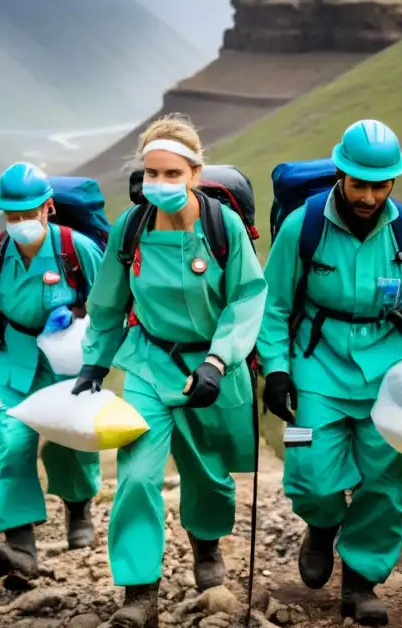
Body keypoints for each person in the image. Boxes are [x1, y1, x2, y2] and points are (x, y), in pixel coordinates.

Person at [257, 119, 402, 626]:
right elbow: (275, 306)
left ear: (393, 181)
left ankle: (360, 582)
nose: (369, 195)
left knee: (388, 476)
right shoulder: (301, 227)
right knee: (310, 474)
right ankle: (322, 526)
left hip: (387, 370)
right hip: (316, 363)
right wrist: (277, 370)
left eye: (381, 184)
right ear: (341, 175)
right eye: (359, 184)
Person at [70, 115, 268, 628]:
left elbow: (247, 299)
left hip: (210, 368)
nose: (159, 184)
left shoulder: (221, 229)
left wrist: (218, 361)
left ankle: (206, 547)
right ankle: (139, 594)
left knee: (208, 474)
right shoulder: (130, 228)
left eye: (171, 174)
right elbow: (108, 301)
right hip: (148, 363)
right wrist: (95, 360)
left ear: (195, 173)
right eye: (151, 174)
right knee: (136, 476)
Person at [0, 162, 104, 580]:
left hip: (68, 363)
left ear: (48, 207)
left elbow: (111, 307)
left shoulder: (77, 250)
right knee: (12, 441)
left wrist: (79, 314)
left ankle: (78, 510)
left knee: (69, 442)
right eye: (12, 215)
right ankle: (20, 546)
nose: (21, 222)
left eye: (29, 213)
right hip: (12, 360)